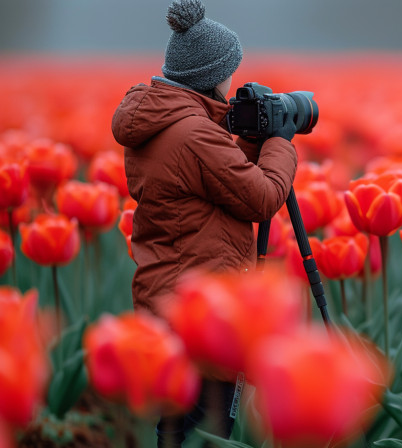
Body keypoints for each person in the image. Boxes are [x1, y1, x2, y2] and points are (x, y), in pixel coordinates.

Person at [110, 0, 298, 446]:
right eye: (230, 70)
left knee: (178, 420)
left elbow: (215, 183)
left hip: (168, 295)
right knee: (200, 425)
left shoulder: (161, 122)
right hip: (202, 309)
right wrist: (280, 142)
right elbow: (263, 198)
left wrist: (247, 144)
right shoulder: (195, 134)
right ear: (213, 74)